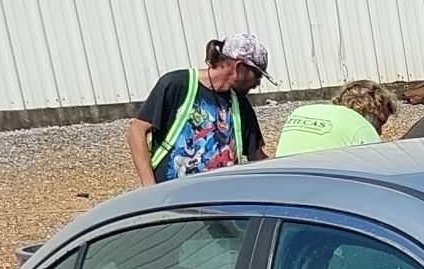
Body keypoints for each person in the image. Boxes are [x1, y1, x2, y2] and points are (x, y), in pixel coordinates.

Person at [128, 35, 269, 186]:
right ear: (239, 68)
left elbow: (257, 157)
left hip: (219, 201)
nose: (257, 83)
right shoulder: (177, 85)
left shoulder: (241, 105)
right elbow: (136, 131)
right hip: (171, 199)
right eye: (257, 75)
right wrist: (150, 188)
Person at [274, 80, 400, 156]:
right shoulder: (361, 126)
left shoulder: (301, 111)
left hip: (280, 182)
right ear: (373, 110)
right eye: (380, 123)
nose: (380, 132)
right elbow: (380, 171)